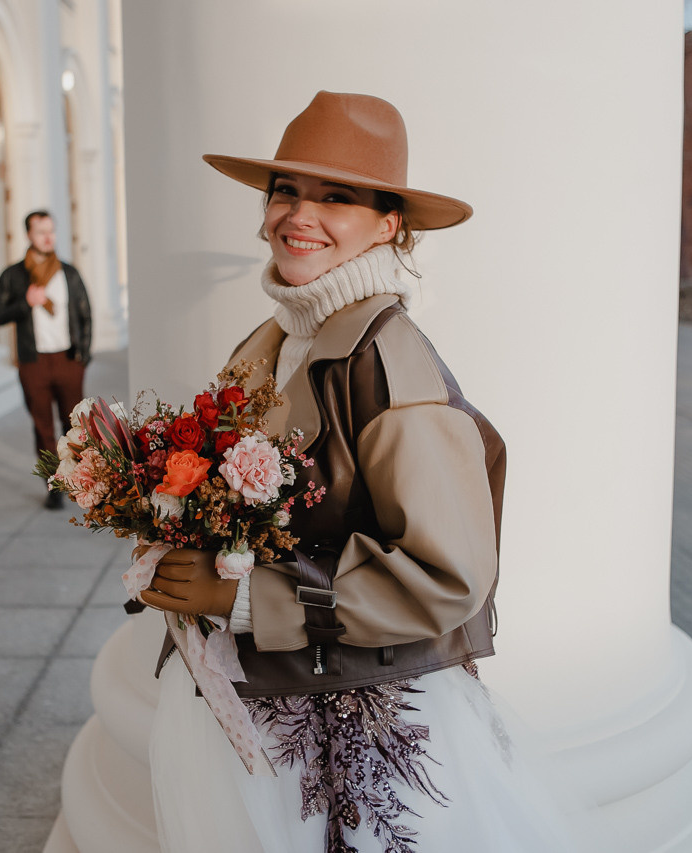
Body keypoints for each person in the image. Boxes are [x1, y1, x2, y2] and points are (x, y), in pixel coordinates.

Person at [134, 92, 591, 852]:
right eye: (286, 190)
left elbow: (449, 574)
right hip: (277, 698)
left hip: (351, 718)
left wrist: (247, 597)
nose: (297, 214)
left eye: (336, 196)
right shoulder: (277, 334)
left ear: (389, 225)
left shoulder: (388, 359)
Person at [0, 210, 92, 509]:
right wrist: (25, 303)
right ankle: (54, 485)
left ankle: (81, 481)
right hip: (33, 361)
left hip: (67, 359)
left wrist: (82, 357)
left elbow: (86, 315)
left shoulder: (68, 274)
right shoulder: (14, 275)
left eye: (51, 230)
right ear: (28, 236)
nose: (48, 237)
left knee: (73, 426)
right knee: (43, 428)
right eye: (40, 232)